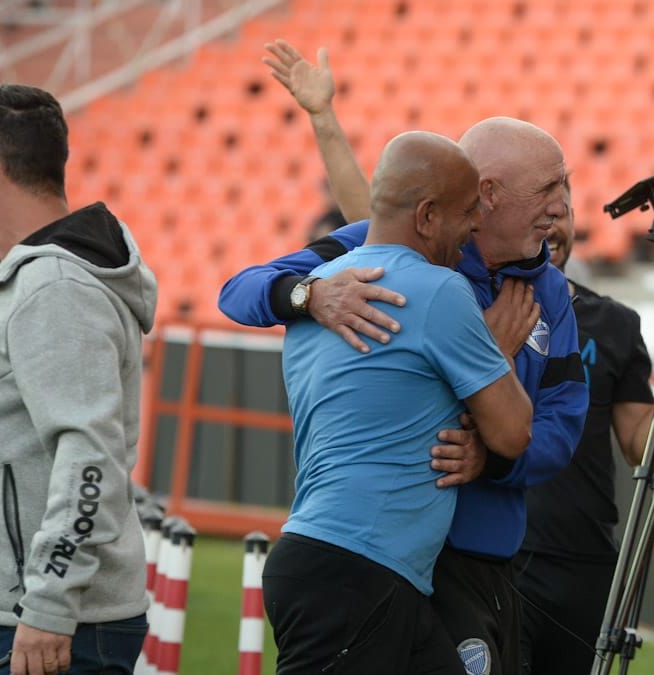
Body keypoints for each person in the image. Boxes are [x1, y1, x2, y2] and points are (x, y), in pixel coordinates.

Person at [220, 41, 589, 674]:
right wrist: (310, 294)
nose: (562, 206)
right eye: (549, 188)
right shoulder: (385, 256)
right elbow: (239, 291)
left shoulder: (550, 292)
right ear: (489, 196)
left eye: (566, 186)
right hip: (389, 553)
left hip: (478, 557)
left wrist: (492, 460)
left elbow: (562, 421)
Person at [263, 130, 533, 674]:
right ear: (428, 216)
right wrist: (499, 349)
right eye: (465, 214)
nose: (475, 228)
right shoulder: (441, 291)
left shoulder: (320, 287)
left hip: (350, 564)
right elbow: (512, 432)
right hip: (355, 568)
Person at [0, 84, 156, 675]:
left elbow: (91, 455)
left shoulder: (54, 290)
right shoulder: (19, 274)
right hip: (17, 617)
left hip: (45, 628)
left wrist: (50, 606)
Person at [514, 196, 654, 675]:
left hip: (584, 559)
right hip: (501, 550)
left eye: (560, 211)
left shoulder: (615, 323)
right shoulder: (477, 303)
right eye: (538, 211)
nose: (552, 225)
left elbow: (640, 447)